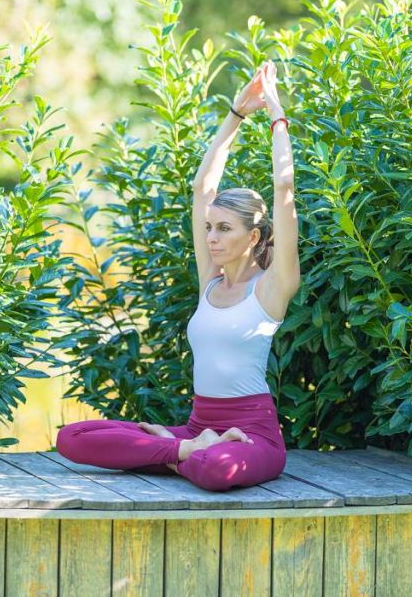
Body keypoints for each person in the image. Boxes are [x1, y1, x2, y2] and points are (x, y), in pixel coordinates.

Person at [56, 61, 300, 491]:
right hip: (198, 427)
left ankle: (180, 453)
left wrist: (276, 111)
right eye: (209, 227)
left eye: (224, 229)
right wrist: (237, 113)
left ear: (255, 235)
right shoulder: (211, 281)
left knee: (216, 470)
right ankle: (185, 450)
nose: (211, 238)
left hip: (251, 435)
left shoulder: (271, 286)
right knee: (71, 437)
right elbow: (203, 186)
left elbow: (284, 189)